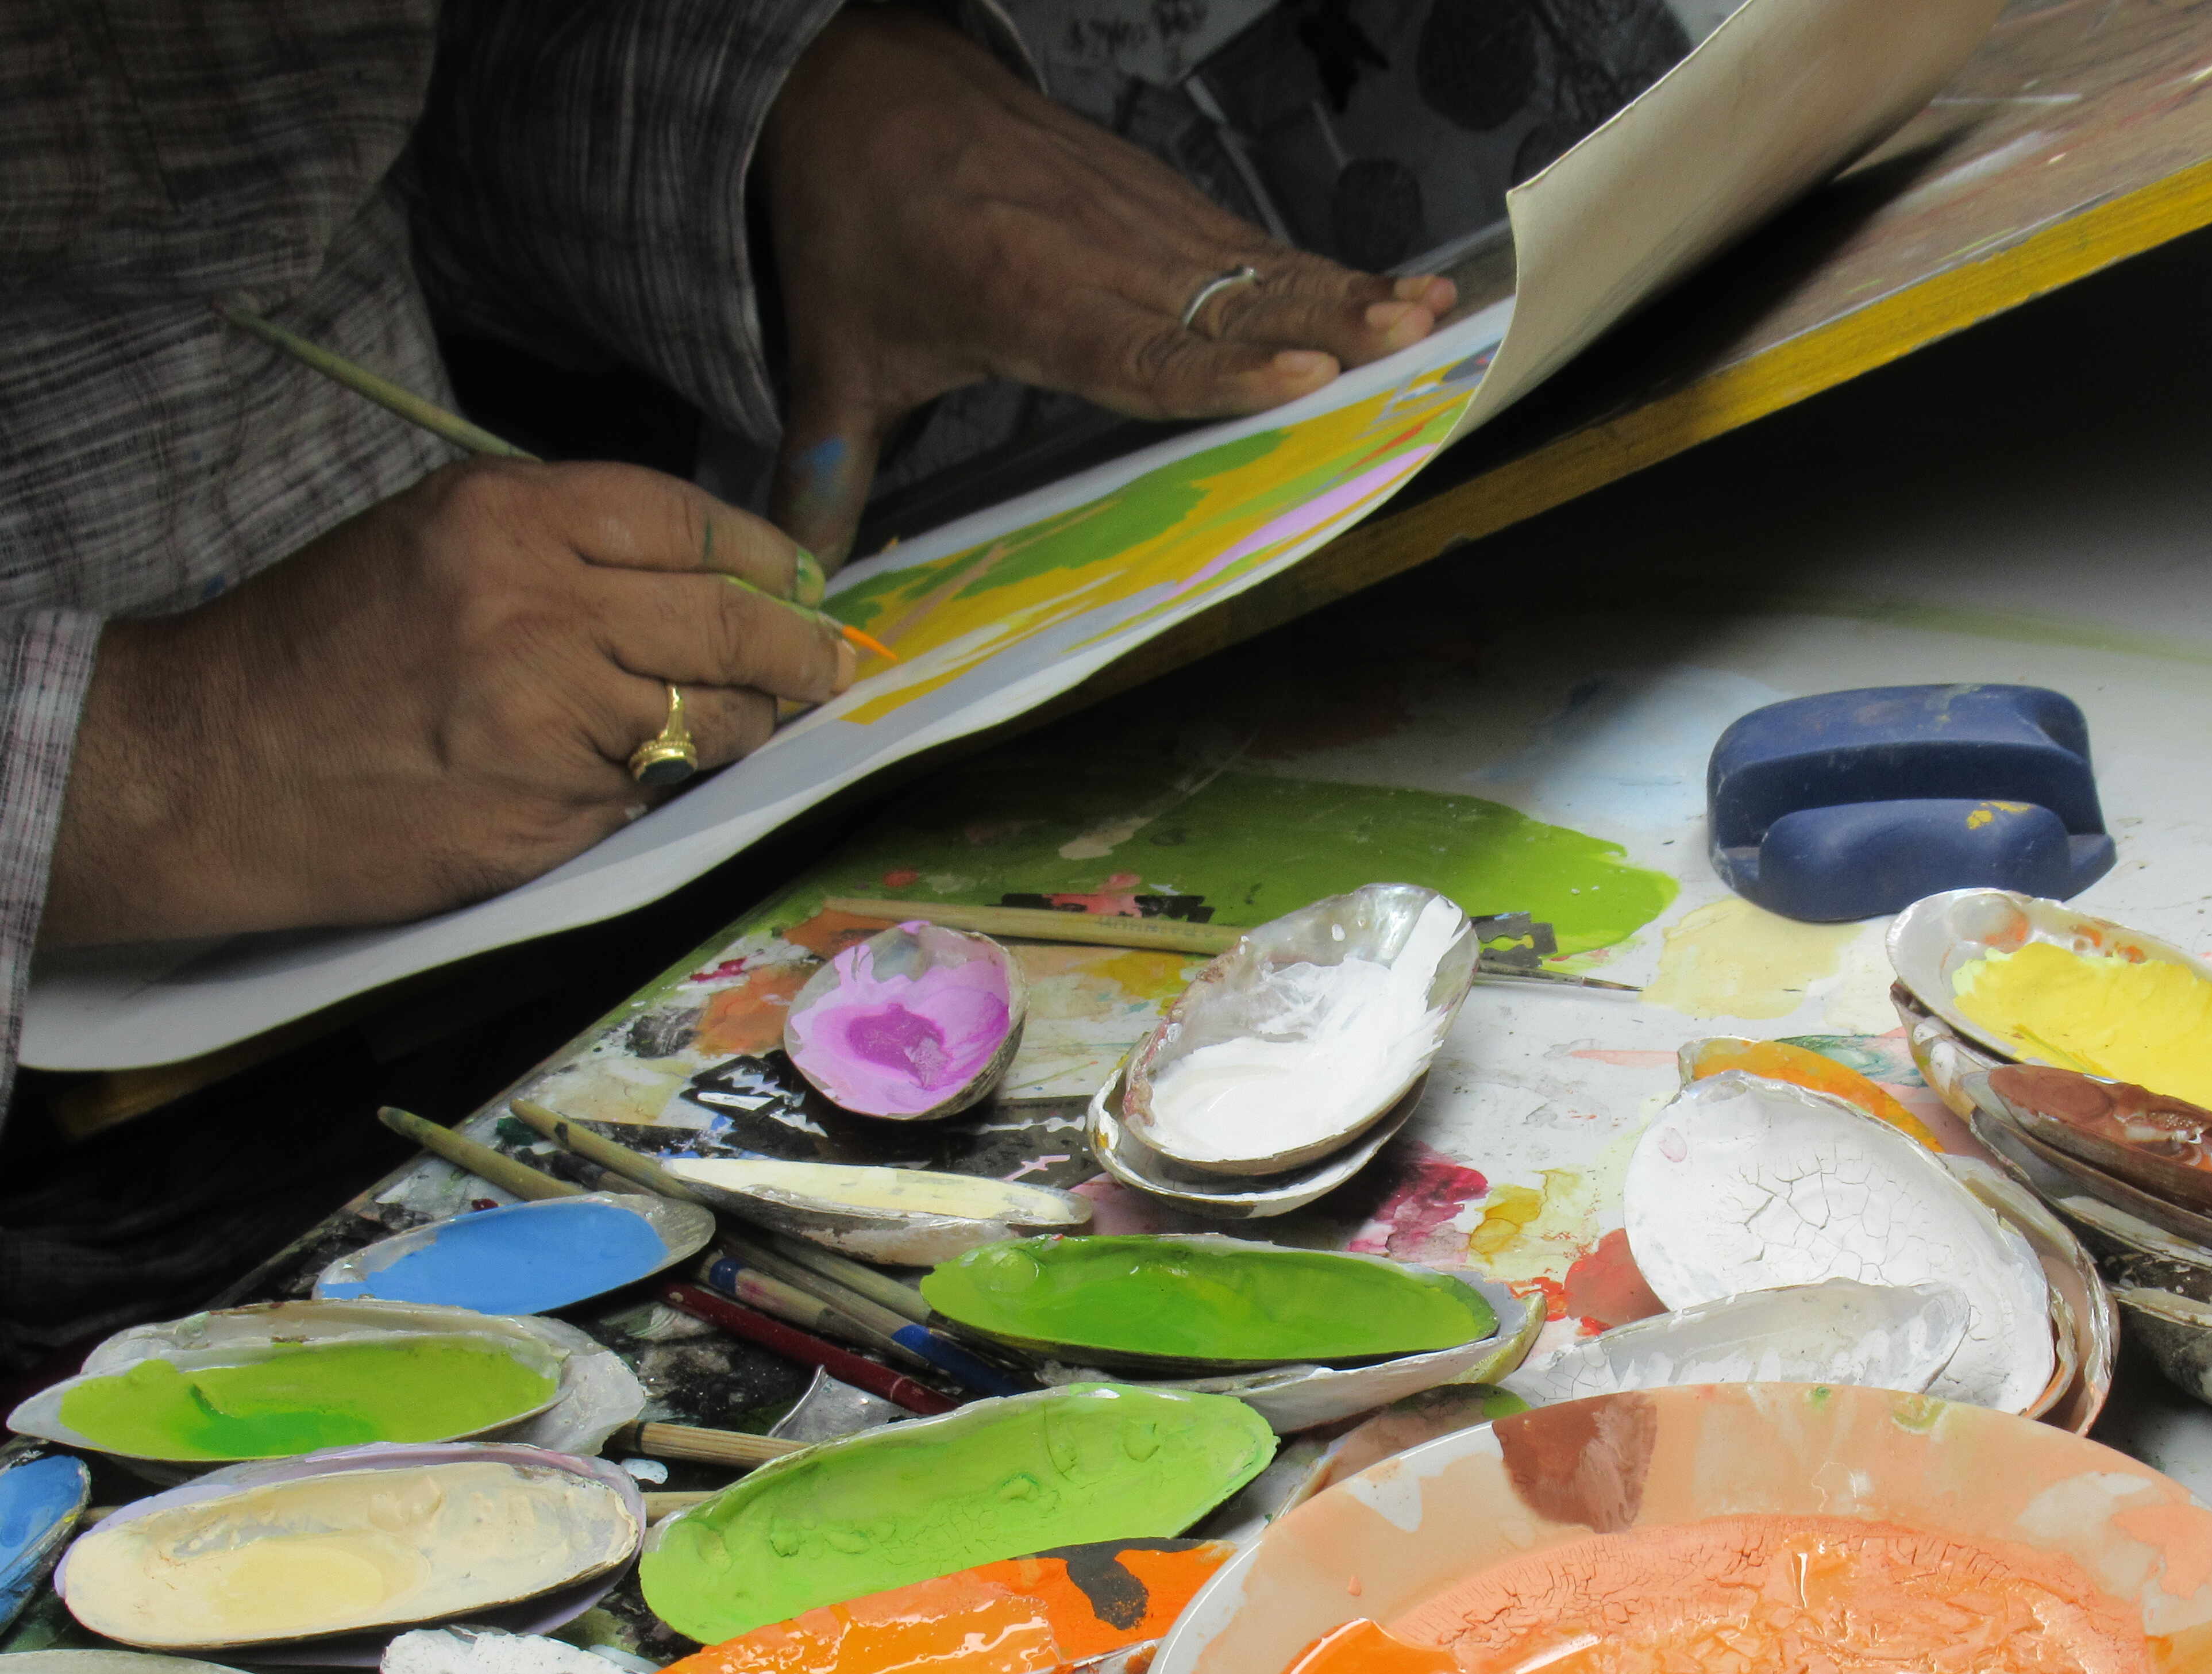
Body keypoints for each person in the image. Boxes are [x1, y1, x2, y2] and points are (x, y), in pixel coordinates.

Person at [0, 0, 1466, 1127]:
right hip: (111, 1144)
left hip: (601, 871)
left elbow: (339, 112)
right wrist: (131, 767)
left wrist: (779, 116)